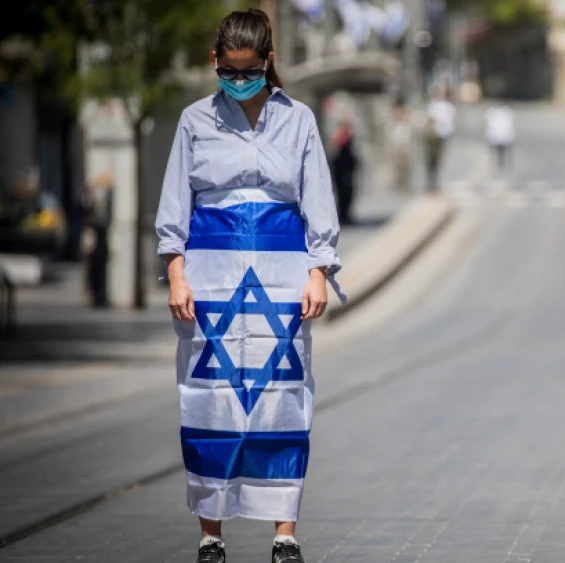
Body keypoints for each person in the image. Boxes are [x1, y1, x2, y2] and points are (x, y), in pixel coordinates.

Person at [154, 9, 346, 563]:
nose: (239, 80)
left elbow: (317, 199)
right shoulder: (194, 120)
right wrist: (176, 274)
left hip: (280, 276)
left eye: (249, 71)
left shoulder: (299, 119)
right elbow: (175, 205)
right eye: (229, 71)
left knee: (281, 396)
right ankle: (210, 537)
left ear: (268, 62)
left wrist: (318, 271)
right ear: (215, 61)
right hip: (210, 277)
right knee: (210, 401)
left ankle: (284, 534)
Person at [81, 172, 114, 308]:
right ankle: (95, 294)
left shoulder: (105, 201)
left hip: (101, 242)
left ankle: (100, 295)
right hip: (95, 242)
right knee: (94, 271)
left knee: (100, 271)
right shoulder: (91, 202)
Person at [425, 85, 456, 192]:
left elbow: (450, 121)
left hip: (444, 135)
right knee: (431, 160)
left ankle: (435, 182)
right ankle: (431, 182)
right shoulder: (434, 104)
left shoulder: (449, 106)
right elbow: (431, 119)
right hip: (434, 136)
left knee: (439, 160)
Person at [330, 116, 359, 225]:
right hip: (342, 171)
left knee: (347, 193)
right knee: (343, 193)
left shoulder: (346, 134)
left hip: (346, 170)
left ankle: (345, 215)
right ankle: (343, 215)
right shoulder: (341, 135)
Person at [484, 100, 515, 172]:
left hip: (503, 134)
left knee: (502, 151)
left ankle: (502, 163)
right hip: (497, 134)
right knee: (497, 151)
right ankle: (497, 162)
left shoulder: (507, 112)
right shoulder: (493, 112)